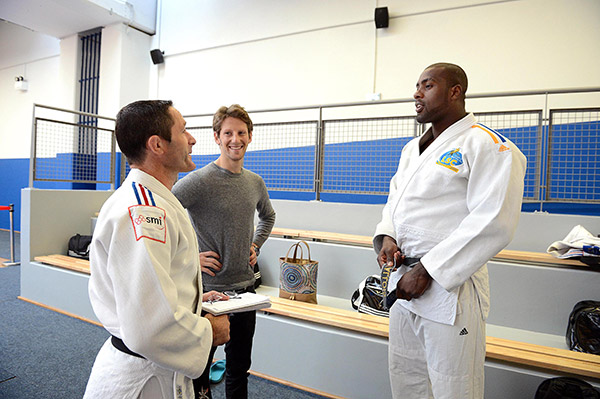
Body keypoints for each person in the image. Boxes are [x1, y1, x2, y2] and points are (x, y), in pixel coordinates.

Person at [373, 63, 526, 399]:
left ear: (455, 91)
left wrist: (428, 270)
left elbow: (494, 221)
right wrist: (388, 236)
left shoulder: (488, 146)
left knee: (454, 386)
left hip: (449, 288)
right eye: (417, 85)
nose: (417, 93)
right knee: (406, 378)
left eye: (427, 85)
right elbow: (395, 201)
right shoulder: (411, 149)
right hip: (403, 280)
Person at [84, 100, 230, 399]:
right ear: (157, 145)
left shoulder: (153, 200)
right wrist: (209, 331)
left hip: (152, 369)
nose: (192, 139)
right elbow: (149, 327)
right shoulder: (143, 211)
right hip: (144, 380)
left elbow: (146, 291)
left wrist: (192, 300)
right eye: (183, 130)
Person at [172, 104, 276, 399]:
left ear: (250, 137)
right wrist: (191, 258)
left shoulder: (255, 182)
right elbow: (167, 214)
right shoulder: (198, 180)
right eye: (228, 133)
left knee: (239, 368)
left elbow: (268, 216)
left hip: (244, 291)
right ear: (217, 137)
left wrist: (256, 244)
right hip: (209, 294)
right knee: (199, 369)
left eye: (241, 133)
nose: (235, 139)